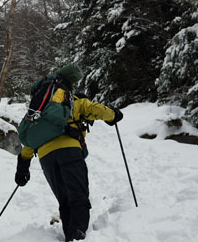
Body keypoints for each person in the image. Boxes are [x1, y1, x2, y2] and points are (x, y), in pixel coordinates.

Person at [15, 64, 123, 242]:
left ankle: (70, 237)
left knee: (64, 201)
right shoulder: (72, 101)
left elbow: (30, 143)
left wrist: (23, 167)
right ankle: (78, 237)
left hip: (46, 159)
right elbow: (96, 109)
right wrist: (114, 115)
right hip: (69, 152)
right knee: (78, 196)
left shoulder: (39, 113)